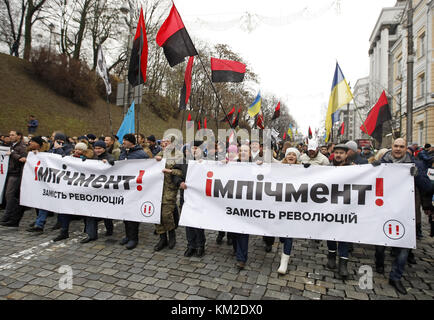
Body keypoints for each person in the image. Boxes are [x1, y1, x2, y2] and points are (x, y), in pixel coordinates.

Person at [373, 138, 419, 295]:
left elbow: (427, 186)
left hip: (404, 213)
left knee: (403, 248)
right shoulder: (380, 163)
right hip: (383, 210)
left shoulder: (415, 165)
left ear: (406, 148)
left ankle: (396, 276)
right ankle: (379, 263)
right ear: (391, 147)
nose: (398, 149)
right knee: (380, 245)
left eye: (402, 146)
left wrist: (417, 176)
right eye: (396, 146)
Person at [52, 142, 94, 242]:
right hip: (69, 189)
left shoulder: (89, 159)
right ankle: (64, 231)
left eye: (80, 150)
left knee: (84, 211)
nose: (77, 151)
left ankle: (88, 231)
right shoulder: (69, 158)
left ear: (84, 151)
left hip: (82, 189)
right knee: (64, 210)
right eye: (76, 149)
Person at [173, 141, 206, 257]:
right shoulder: (183, 161)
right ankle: (190, 245)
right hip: (186, 196)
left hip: (200, 198)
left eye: (197, 148)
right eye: (193, 148)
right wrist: (179, 182)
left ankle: (200, 245)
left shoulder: (207, 162)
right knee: (188, 221)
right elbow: (175, 174)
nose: (195, 150)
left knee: (198, 222)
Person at [118, 134, 149, 249]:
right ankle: (127, 236)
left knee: (133, 215)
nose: (123, 142)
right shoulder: (123, 153)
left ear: (131, 142)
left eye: (125, 140)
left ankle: (133, 238)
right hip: (124, 187)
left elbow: (147, 169)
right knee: (125, 214)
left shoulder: (141, 154)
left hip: (135, 188)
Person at [80, 140, 115, 243]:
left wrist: (108, 163)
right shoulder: (93, 158)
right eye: (96, 148)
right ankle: (91, 234)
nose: (97, 150)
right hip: (93, 190)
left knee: (106, 213)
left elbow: (113, 163)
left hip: (105, 190)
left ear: (104, 149)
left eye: (100, 148)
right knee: (91, 212)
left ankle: (109, 228)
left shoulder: (109, 157)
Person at [326, 144, 351, 279]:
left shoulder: (354, 169)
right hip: (330, 206)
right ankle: (331, 255)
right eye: (336, 152)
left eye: (341, 153)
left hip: (346, 207)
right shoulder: (328, 168)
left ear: (346, 155)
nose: (338, 155)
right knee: (330, 233)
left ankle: (343, 263)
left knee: (344, 235)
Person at [153, 136, 183, 251]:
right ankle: (162, 238)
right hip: (156, 189)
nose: (164, 144)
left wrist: (170, 171)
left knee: (166, 214)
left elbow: (181, 172)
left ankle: (171, 235)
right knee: (156, 214)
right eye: (163, 142)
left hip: (169, 189)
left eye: (167, 142)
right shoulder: (158, 154)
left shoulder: (179, 155)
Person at [277, 147, 301, 275]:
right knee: (282, 235)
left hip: (293, 206)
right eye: (289, 154)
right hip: (279, 205)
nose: (291, 156)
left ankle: (284, 261)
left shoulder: (303, 169)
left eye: (294, 154)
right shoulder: (278, 167)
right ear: (285, 156)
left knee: (288, 233)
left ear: (297, 158)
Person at [0, 131, 28, 227]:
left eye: (12, 135)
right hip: (10, 172)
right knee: (8, 195)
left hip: (16, 174)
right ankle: (9, 215)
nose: (10, 136)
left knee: (10, 195)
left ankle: (8, 216)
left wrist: (12, 153)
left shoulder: (22, 147)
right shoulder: (12, 145)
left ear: (19, 136)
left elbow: (23, 159)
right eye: (10, 135)